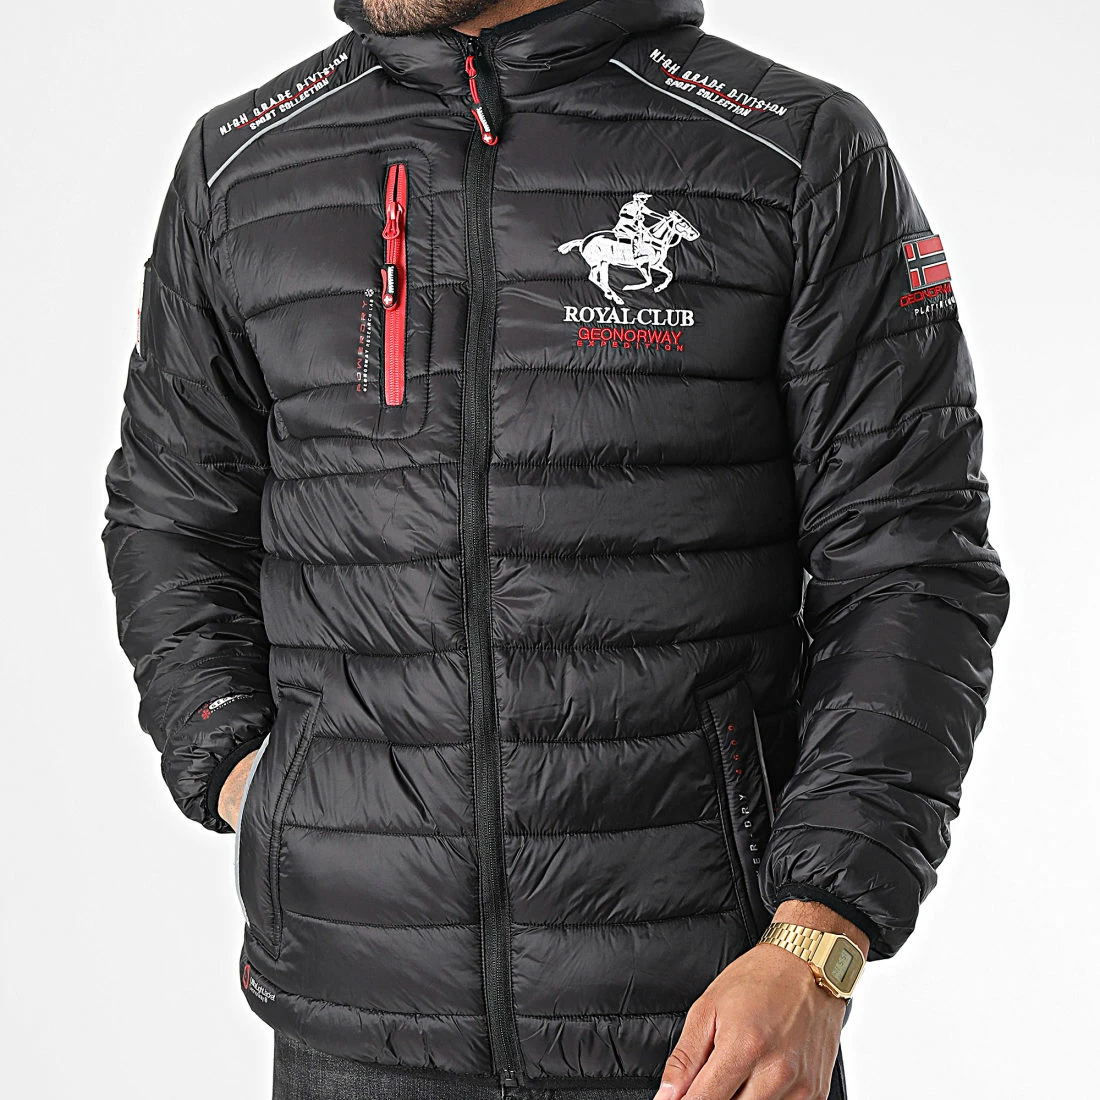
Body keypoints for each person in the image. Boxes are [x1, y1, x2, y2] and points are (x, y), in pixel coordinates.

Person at [101, 1, 1009, 1098]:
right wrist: (246, 769)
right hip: (353, 1021)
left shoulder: (791, 152)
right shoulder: (244, 164)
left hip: (700, 1027)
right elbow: (171, 510)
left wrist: (818, 942)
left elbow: (910, 563)